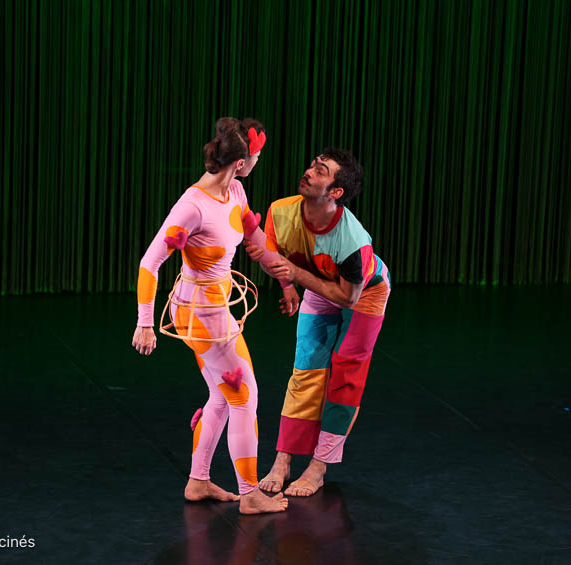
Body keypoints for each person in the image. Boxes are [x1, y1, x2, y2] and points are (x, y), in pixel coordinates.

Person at [131, 117, 288, 514]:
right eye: (256, 158)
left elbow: (255, 238)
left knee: (223, 394)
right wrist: (145, 322)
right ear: (241, 162)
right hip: (200, 312)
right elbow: (150, 262)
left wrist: (286, 280)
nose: (258, 163)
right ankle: (250, 494)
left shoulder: (235, 191)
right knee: (245, 394)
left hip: (216, 307)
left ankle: (198, 481)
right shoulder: (193, 206)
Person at [245, 148, 391, 497]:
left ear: (335, 192)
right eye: (313, 165)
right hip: (318, 285)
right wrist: (287, 285)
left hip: (364, 294)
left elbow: (347, 298)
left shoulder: (352, 242)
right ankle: (283, 460)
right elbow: (277, 256)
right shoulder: (282, 211)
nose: (309, 171)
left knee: (345, 377)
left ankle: (319, 466)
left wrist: (296, 276)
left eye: (321, 171)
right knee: (305, 371)